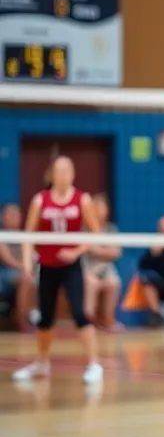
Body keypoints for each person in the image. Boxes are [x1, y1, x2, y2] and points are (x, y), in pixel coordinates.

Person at [13, 156, 104, 384]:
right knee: (45, 317)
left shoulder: (81, 199)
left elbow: (96, 233)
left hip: (71, 266)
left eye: (68, 170)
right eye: (59, 170)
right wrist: (26, 261)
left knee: (80, 313)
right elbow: (28, 234)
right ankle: (42, 364)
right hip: (47, 265)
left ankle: (94, 364)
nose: (63, 174)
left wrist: (76, 252)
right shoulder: (40, 200)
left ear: (73, 174)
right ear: (52, 174)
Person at [82, 193, 123, 332]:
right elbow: (82, 250)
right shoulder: (83, 228)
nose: (100, 210)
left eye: (102, 207)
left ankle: (108, 320)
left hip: (106, 267)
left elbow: (116, 253)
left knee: (114, 283)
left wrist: (96, 250)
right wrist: (103, 251)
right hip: (86, 267)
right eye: (96, 207)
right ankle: (87, 320)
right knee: (91, 283)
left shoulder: (111, 229)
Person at [0, 202, 34, 331]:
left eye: (17, 215)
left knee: (37, 277)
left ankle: (33, 315)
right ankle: (21, 319)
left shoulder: (24, 236)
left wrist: (28, 267)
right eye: (11, 215)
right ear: (3, 217)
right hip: (5, 274)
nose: (15, 217)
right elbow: (8, 260)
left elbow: (32, 256)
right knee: (27, 279)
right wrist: (25, 267)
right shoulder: (2, 236)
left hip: (24, 272)